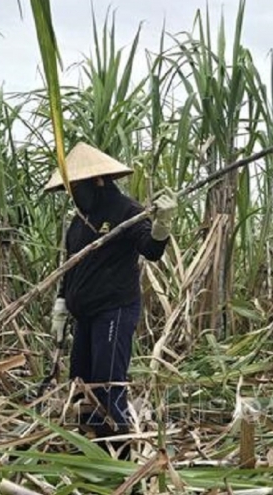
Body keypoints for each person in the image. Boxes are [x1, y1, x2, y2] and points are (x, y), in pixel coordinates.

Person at [44, 143, 177, 458]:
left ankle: (119, 452)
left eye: (75, 187)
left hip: (114, 311)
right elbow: (70, 267)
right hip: (85, 315)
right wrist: (61, 307)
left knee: (108, 382)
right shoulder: (78, 222)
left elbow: (151, 250)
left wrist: (162, 226)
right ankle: (91, 447)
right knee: (81, 380)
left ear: (97, 181)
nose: (72, 194)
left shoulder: (125, 212)